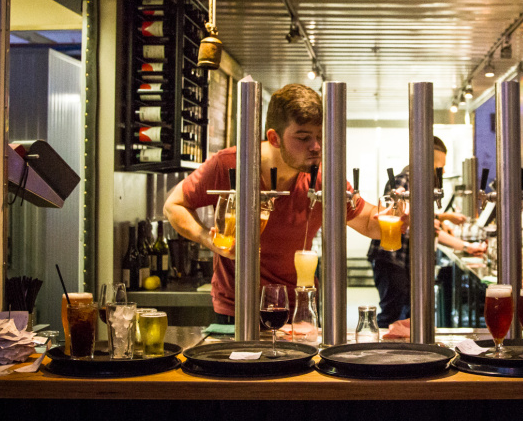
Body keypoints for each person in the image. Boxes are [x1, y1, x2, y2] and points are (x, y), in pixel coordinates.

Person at [163, 83, 398, 322]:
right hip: (237, 307)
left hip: (297, 308)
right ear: (274, 138)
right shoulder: (230, 165)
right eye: (304, 138)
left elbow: (370, 223)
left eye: (320, 136)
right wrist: (208, 239)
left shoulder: (323, 178)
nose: (316, 147)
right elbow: (174, 205)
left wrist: (398, 214)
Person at [367, 136, 485, 328]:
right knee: (391, 315)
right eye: (441, 166)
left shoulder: (420, 184)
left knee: (405, 317)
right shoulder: (405, 179)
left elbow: (427, 224)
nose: (443, 171)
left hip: (402, 261)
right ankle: (383, 345)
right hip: (391, 259)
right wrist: (464, 244)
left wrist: (443, 220)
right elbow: (397, 209)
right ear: (428, 162)